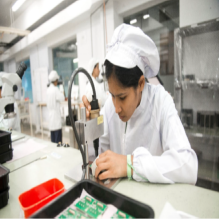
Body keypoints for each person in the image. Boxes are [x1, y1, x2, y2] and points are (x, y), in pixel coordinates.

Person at [82, 24, 198, 184]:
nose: (116, 108)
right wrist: (90, 128)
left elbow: (188, 166)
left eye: (122, 97)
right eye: (112, 95)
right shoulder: (109, 106)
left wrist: (129, 164)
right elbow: (96, 158)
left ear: (141, 83)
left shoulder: (160, 101)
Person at [47, 70, 64, 143]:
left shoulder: (48, 90)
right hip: (56, 120)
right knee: (58, 142)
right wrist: (61, 88)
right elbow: (62, 98)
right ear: (56, 81)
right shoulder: (55, 89)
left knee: (53, 142)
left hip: (51, 119)